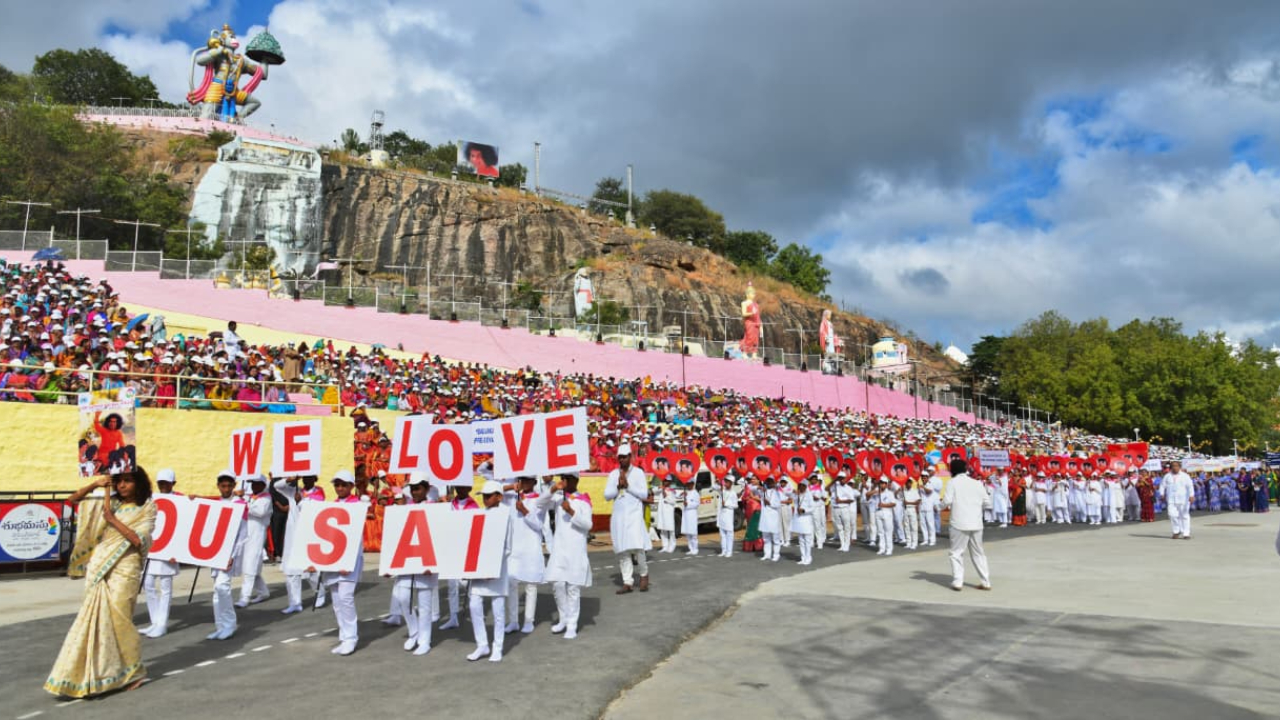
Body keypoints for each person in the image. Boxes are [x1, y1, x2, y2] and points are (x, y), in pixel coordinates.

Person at [45, 469, 156, 698]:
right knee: (96, 621)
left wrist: (112, 520)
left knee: (119, 621)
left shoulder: (147, 507)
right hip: (100, 566)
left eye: (128, 481)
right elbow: (73, 500)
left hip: (126, 568)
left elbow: (138, 540)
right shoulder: (109, 501)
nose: (123, 486)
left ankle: (133, 672)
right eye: (119, 481)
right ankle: (97, 674)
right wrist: (96, 484)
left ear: (139, 483)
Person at [386, 473, 438, 655]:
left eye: (418, 488)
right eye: (412, 488)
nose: (414, 492)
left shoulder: (434, 508)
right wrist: (389, 565)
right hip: (406, 560)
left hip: (426, 562)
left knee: (425, 604)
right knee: (402, 598)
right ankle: (414, 632)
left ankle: (425, 640)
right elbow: (395, 537)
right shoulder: (404, 509)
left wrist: (434, 561)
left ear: (426, 489)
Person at [541, 474, 592, 639]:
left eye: (568, 478)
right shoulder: (557, 498)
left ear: (576, 480)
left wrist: (570, 511)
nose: (564, 481)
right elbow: (539, 504)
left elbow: (588, 525)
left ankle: (572, 624)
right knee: (557, 583)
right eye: (562, 478)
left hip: (576, 549)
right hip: (559, 549)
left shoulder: (584, 500)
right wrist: (554, 488)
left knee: (573, 587)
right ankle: (563, 618)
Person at [319, 469, 365, 656]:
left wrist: (348, 559)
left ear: (351, 486)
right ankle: (344, 636)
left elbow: (354, 535)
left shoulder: (358, 505)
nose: (339, 488)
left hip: (350, 558)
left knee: (346, 598)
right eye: (337, 485)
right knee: (337, 600)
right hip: (334, 558)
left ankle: (351, 638)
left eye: (343, 484)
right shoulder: (331, 506)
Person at [468, 481, 513, 662]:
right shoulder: (480, 514)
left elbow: (507, 547)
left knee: (498, 609)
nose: (485, 499)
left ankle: (497, 646)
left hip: (497, 570)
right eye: (484, 496)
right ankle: (482, 645)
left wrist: (492, 566)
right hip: (480, 568)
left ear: (499, 496)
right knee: (474, 605)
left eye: (489, 496)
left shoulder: (505, 514)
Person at [273, 475, 325, 615]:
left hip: (309, 535)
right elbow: (277, 486)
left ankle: (320, 594)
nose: (306, 480)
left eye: (310, 478)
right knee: (291, 572)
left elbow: (315, 506)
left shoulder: (318, 492)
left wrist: (301, 500)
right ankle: (295, 603)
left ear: (315, 479)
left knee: (311, 570)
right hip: (292, 537)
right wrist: (290, 479)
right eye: (304, 478)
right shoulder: (294, 492)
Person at [138, 468, 180, 639]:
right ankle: (155, 621)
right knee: (147, 584)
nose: (163, 486)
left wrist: (178, 551)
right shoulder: (152, 499)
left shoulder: (180, 499)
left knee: (165, 587)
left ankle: (162, 624)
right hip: (153, 547)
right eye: (160, 483)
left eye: (166, 483)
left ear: (173, 484)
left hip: (169, 550)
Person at [604, 444, 651, 593]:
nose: (622, 460)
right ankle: (627, 581)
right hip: (619, 516)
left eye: (624, 457)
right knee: (622, 550)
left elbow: (644, 495)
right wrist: (618, 487)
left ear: (630, 457)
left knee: (638, 547)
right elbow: (606, 496)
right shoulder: (613, 474)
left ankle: (644, 575)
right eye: (620, 457)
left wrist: (628, 486)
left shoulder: (638, 473)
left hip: (634, 515)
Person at [941, 457, 992, 591]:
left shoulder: (953, 483)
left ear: (952, 470)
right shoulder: (977, 483)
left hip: (959, 522)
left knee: (956, 552)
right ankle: (986, 581)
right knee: (979, 553)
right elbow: (988, 503)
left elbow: (946, 501)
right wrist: (975, 506)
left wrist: (938, 507)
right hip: (976, 523)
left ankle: (958, 582)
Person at [207, 470, 246, 640]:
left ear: (234, 486)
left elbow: (243, 534)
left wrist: (233, 555)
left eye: (229, 485)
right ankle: (220, 626)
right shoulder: (215, 504)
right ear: (218, 486)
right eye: (223, 485)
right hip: (215, 552)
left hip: (229, 553)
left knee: (223, 587)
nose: (226, 488)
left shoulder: (240, 504)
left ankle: (230, 624)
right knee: (216, 590)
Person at [506, 476, 547, 634]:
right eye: (521, 480)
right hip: (515, 548)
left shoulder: (539, 501)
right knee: (512, 583)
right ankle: (514, 621)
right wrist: (511, 488)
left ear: (535, 482)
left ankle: (529, 620)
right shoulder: (513, 499)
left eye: (528, 480)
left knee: (530, 584)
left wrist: (524, 510)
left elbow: (539, 526)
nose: (524, 483)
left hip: (530, 547)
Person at [439, 485, 479, 629]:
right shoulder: (449, 505)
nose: (460, 490)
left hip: (466, 549)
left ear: (468, 489)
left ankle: (476, 613)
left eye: (463, 488)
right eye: (458, 487)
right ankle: (453, 616)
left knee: (467, 584)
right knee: (451, 585)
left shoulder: (474, 506)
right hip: (451, 549)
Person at [236, 474, 271, 607]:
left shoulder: (266, 499)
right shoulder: (249, 497)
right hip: (245, 535)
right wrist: (240, 497)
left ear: (263, 485)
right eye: (252, 483)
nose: (254, 486)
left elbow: (260, 512)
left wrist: (243, 503)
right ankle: (263, 592)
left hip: (257, 536)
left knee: (250, 565)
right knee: (249, 565)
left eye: (257, 483)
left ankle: (244, 597)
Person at [1162, 461, 1194, 540]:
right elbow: (1162, 485)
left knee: (1184, 516)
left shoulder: (1185, 476)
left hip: (1183, 499)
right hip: (1171, 499)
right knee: (1172, 514)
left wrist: (1191, 495)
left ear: (1179, 467)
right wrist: (1162, 494)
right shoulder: (1167, 476)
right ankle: (1176, 530)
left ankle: (1186, 533)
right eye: (1173, 466)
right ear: (1171, 467)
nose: (1175, 467)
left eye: (1176, 466)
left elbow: (1190, 486)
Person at [830, 471, 858, 552]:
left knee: (847, 527)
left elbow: (851, 499)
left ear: (846, 479)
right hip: (835, 508)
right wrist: (834, 481)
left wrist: (841, 501)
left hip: (844, 508)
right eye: (840, 478)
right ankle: (842, 544)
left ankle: (847, 545)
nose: (842, 480)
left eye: (843, 478)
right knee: (839, 527)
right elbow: (827, 489)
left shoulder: (848, 488)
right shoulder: (835, 485)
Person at [759, 477, 783, 561]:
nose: (769, 483)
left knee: (775, 538)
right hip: (765, 517)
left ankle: (776, 554)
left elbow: (778, 505)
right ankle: (767, 554)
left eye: (770, 481)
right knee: (766, 538)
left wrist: (770, 503)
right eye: (767, 481)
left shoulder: (777, 493)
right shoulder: (763, 492)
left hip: (773, 517)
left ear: (773, 482)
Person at [715, 477, 740, 557]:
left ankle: (729, 551)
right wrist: (718, 482)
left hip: (728, 514)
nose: (726, 483)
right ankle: (724, 550)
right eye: (725, 482)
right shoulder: (722, 490)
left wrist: (726, 504)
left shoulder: (733, 493)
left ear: (731, 483)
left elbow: (736, 505)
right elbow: (713, 487)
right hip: (721, 515)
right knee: (722, 534)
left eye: (728, 482)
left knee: (729, 533)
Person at [654, 476, 678, 553]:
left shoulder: (672, 490)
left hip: (668, 512)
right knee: (662, 529)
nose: (665, 482)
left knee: (671, 530)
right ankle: (665, 546)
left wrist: (666, 496)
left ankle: (672, 545)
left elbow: (673, 501)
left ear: (670, 482)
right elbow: (653, 491)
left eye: (667, 481)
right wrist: (660, 488)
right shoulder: (661, 489)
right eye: (664, 480)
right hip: (661, 512)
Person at [874, 479, 897, 557]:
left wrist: (884, 505)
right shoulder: (877, 492)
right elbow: (867, 495)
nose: (882, 485)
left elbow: (893, 504)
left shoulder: (890, 493)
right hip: (878, 512)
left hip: (887, 513)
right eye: (880, 483)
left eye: (883, 483)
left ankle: (889, 549)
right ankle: (882, 548)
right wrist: (874, 491)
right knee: (880, 532)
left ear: (886, 484)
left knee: (888, 532)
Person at [680, 479, 700, 555]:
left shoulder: (695, 493)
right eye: (687, 483)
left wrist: (688, 504)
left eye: (690, 483)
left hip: (692, 514)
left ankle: (695, 548)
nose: (688, 485)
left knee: (693, 533)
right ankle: (691, 548)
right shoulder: (686, 492)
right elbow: (677, 495)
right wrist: (682, 495)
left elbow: (697, 504)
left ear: (693, 484)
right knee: (688, 533)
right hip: (686, 515)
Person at [901, 478, 921, 550]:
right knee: (906, 526)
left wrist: (909, 503)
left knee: (913, 527)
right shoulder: (903, 491)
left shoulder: (914, 491)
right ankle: (908, 542)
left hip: (912, 509)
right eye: (907, 483)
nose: (908, 484)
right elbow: (897, 497)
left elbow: (918, 501)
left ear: (911, 483)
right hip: (905, 510)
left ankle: (914, 543)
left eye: (909, 483)